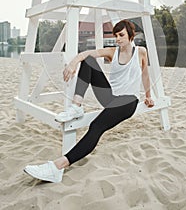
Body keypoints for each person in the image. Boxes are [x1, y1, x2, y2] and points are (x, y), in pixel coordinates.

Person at [24, 19, 154, 183]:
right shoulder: (112, 52)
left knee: (96, 126)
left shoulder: (141, 51)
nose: (118, 39)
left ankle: (57, 167)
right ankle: (76, 106)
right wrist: (73, 62)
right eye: (116, 36)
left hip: (128, 101)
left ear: (130, 35)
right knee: (89, 61)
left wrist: (148, 96)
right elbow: (85, 54)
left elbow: (145, 75)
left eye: (121, 35)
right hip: (111, 97)